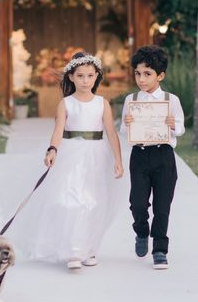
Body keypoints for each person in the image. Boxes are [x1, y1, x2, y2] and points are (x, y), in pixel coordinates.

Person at [8, 52, 123, 270]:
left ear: (97, 77)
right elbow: (58, 130)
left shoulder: (102, 104)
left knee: (93, 202)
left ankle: (89, 249)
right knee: (71, 200)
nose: (85, 81)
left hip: (97, 155)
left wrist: (118, 160)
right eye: (80, 76)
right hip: (71, 154)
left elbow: (111, 133)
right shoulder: (66, 104)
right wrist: (52, 150)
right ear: (71, 77)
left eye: (90, 76)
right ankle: (74, 250)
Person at [121, 45, 185, 269]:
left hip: (163, 155)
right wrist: (127, 124)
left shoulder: (171, 100)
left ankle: (160, 249)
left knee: (162, 205)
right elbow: (123, 129)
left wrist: (172, 124)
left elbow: (181, 129)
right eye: (138, 73)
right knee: (137, 203)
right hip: (139, 155)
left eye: (147, 74)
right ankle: (141, 230)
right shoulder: (131, 99)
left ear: (160, 75)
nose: (141, 79)